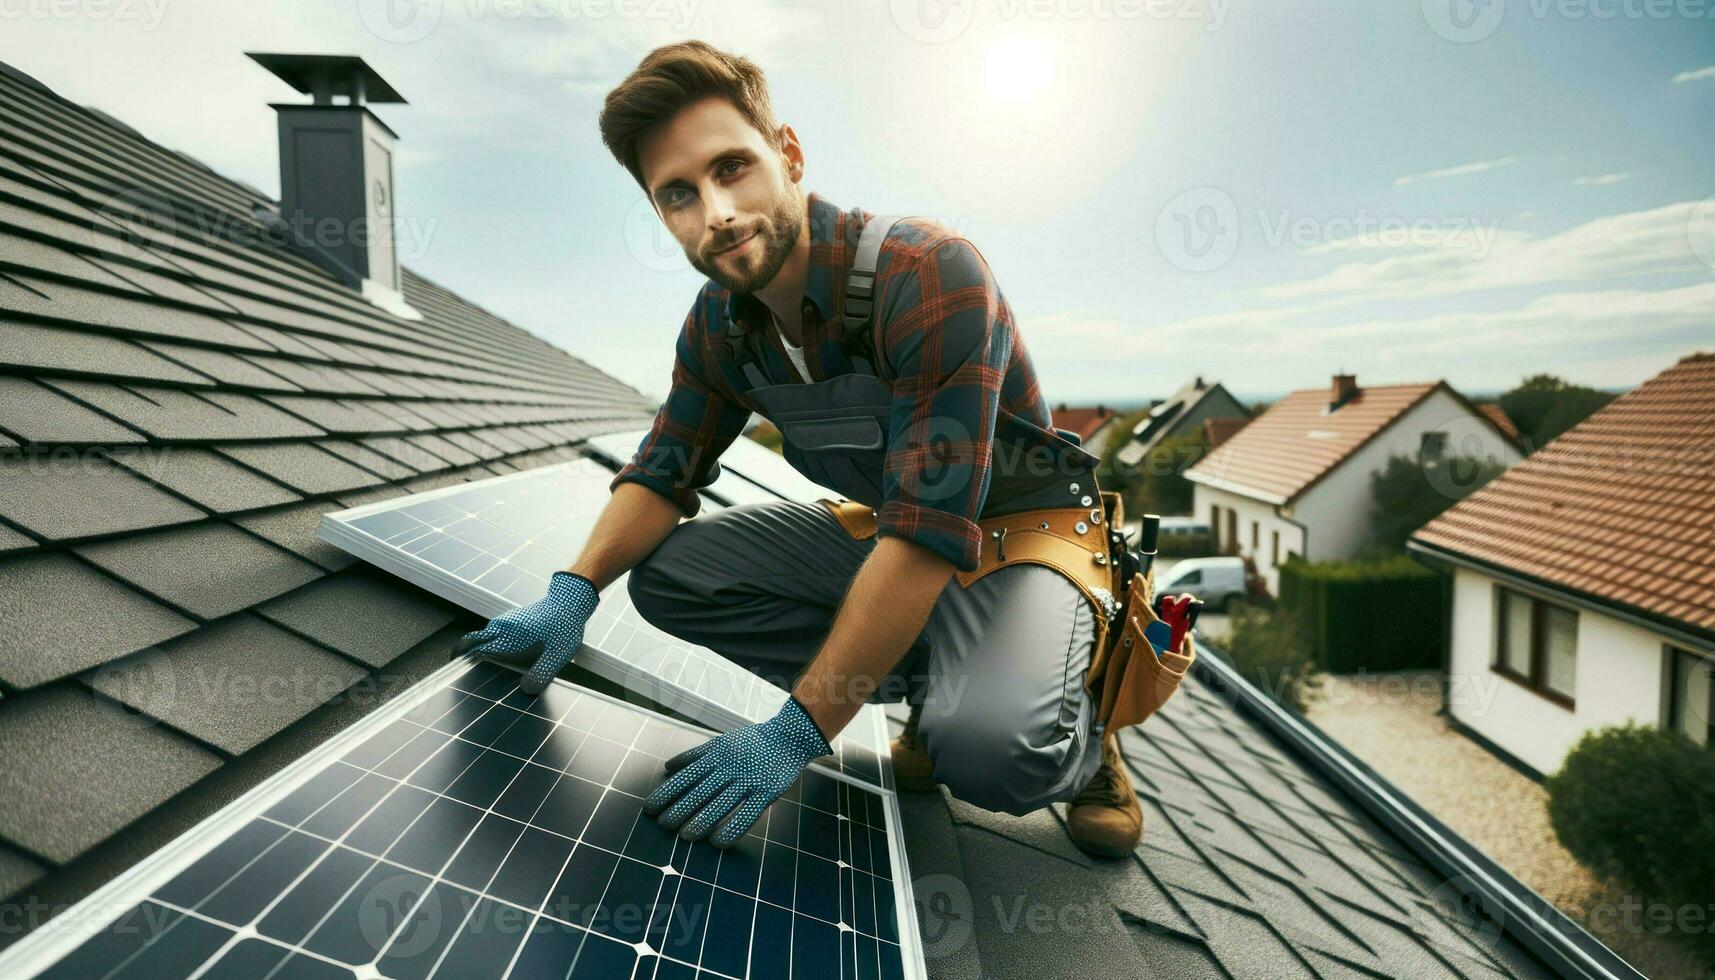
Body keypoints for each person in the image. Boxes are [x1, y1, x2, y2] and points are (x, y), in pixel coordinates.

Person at [454, 40, 1142, 858]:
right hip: (898, 532)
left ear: (787, 154)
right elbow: (661, 472)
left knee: (992, 760)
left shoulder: (927, 274)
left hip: (1027, 539)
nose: (715, 213)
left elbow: (928, 527)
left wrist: (796, 732)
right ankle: (948, 684)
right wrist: (573, 592)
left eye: (731, 168)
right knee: (672, 577)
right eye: (677, 194)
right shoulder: (717, 328)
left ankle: (1087, 733)